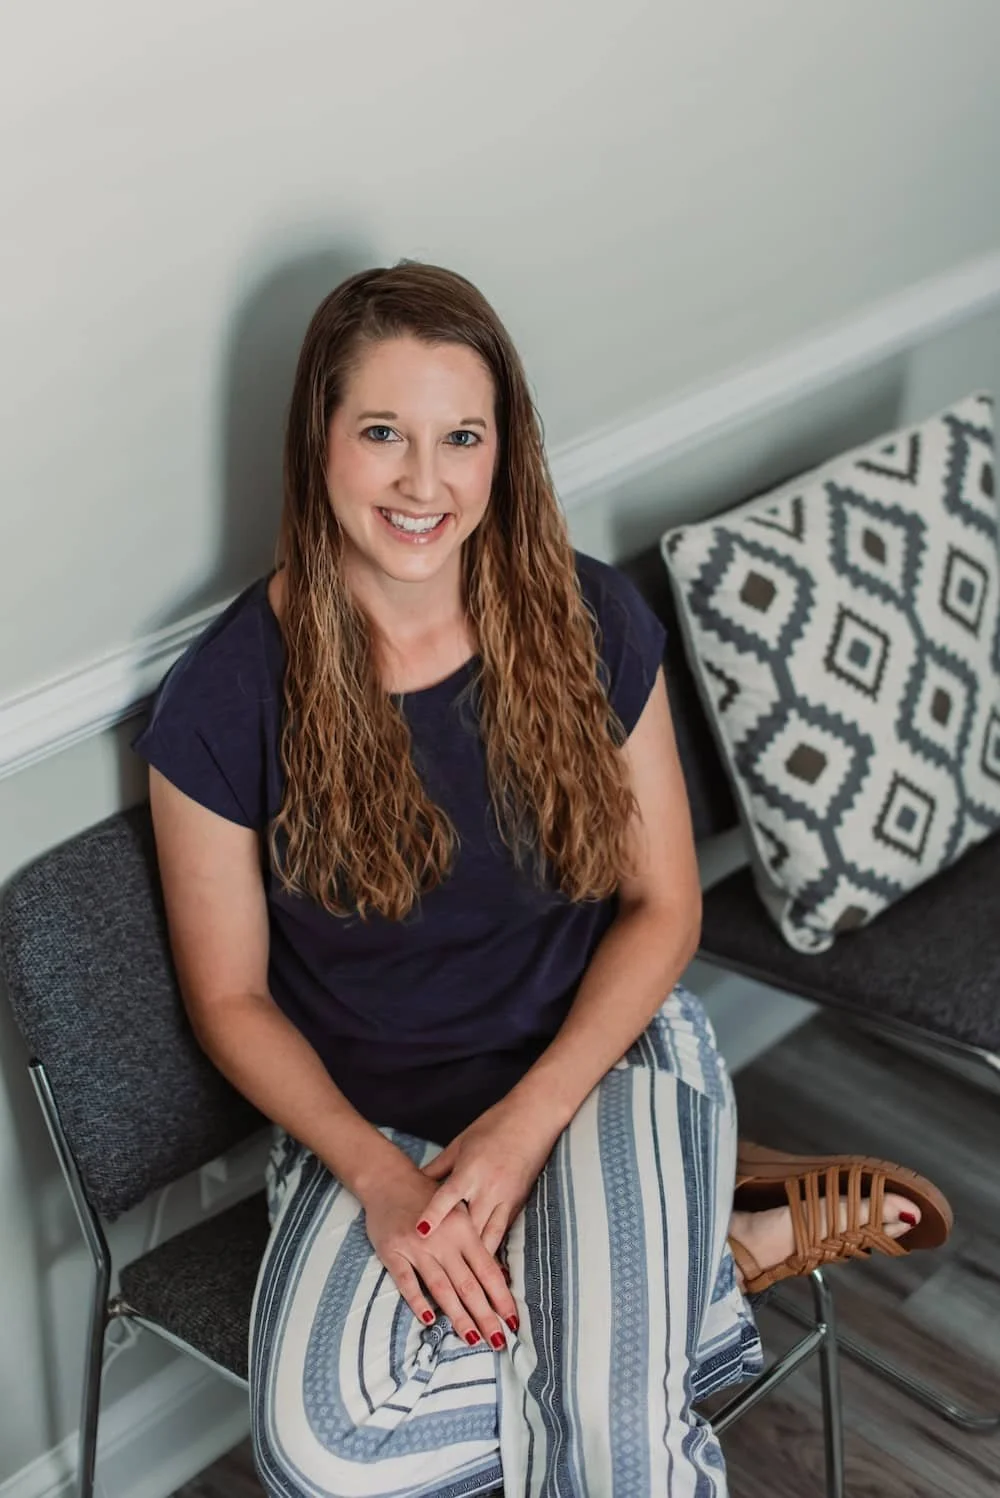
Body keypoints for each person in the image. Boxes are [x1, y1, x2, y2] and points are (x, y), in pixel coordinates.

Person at [133, 262, 950, 1498]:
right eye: (381, 435)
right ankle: (709, 1258)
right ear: (319, 441)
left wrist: (522, 1133)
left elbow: (662, 906)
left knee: (609, 1427)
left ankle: (646, 1258)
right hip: (374, 1127)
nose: (424, 481)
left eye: (461, 436)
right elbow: (232, 1001)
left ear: (503, 448)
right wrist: (379, 1174)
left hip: (597, 1063)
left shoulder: (586, 615)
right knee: (327, 1455)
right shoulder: (224, 699)